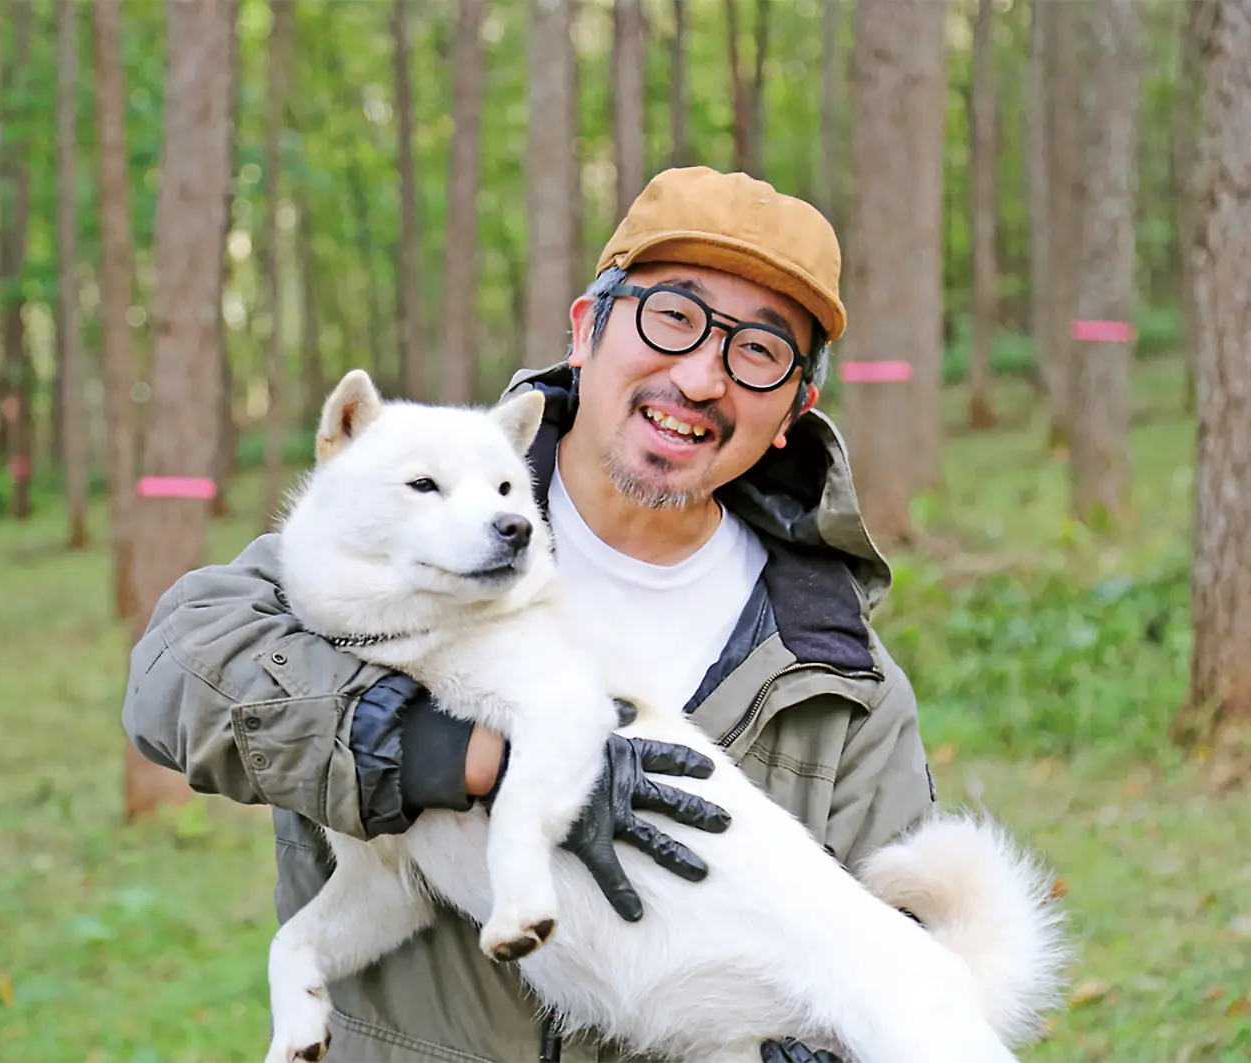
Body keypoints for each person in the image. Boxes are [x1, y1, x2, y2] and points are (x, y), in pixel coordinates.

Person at [122, 166, 936, 1063]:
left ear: (794, 408)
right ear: (587, 330)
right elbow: (178, 674)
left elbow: (905, 942)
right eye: (674, 315)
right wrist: (446, 752)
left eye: (759, 352)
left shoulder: (839, 677)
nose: (702, 375)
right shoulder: (399, 533)